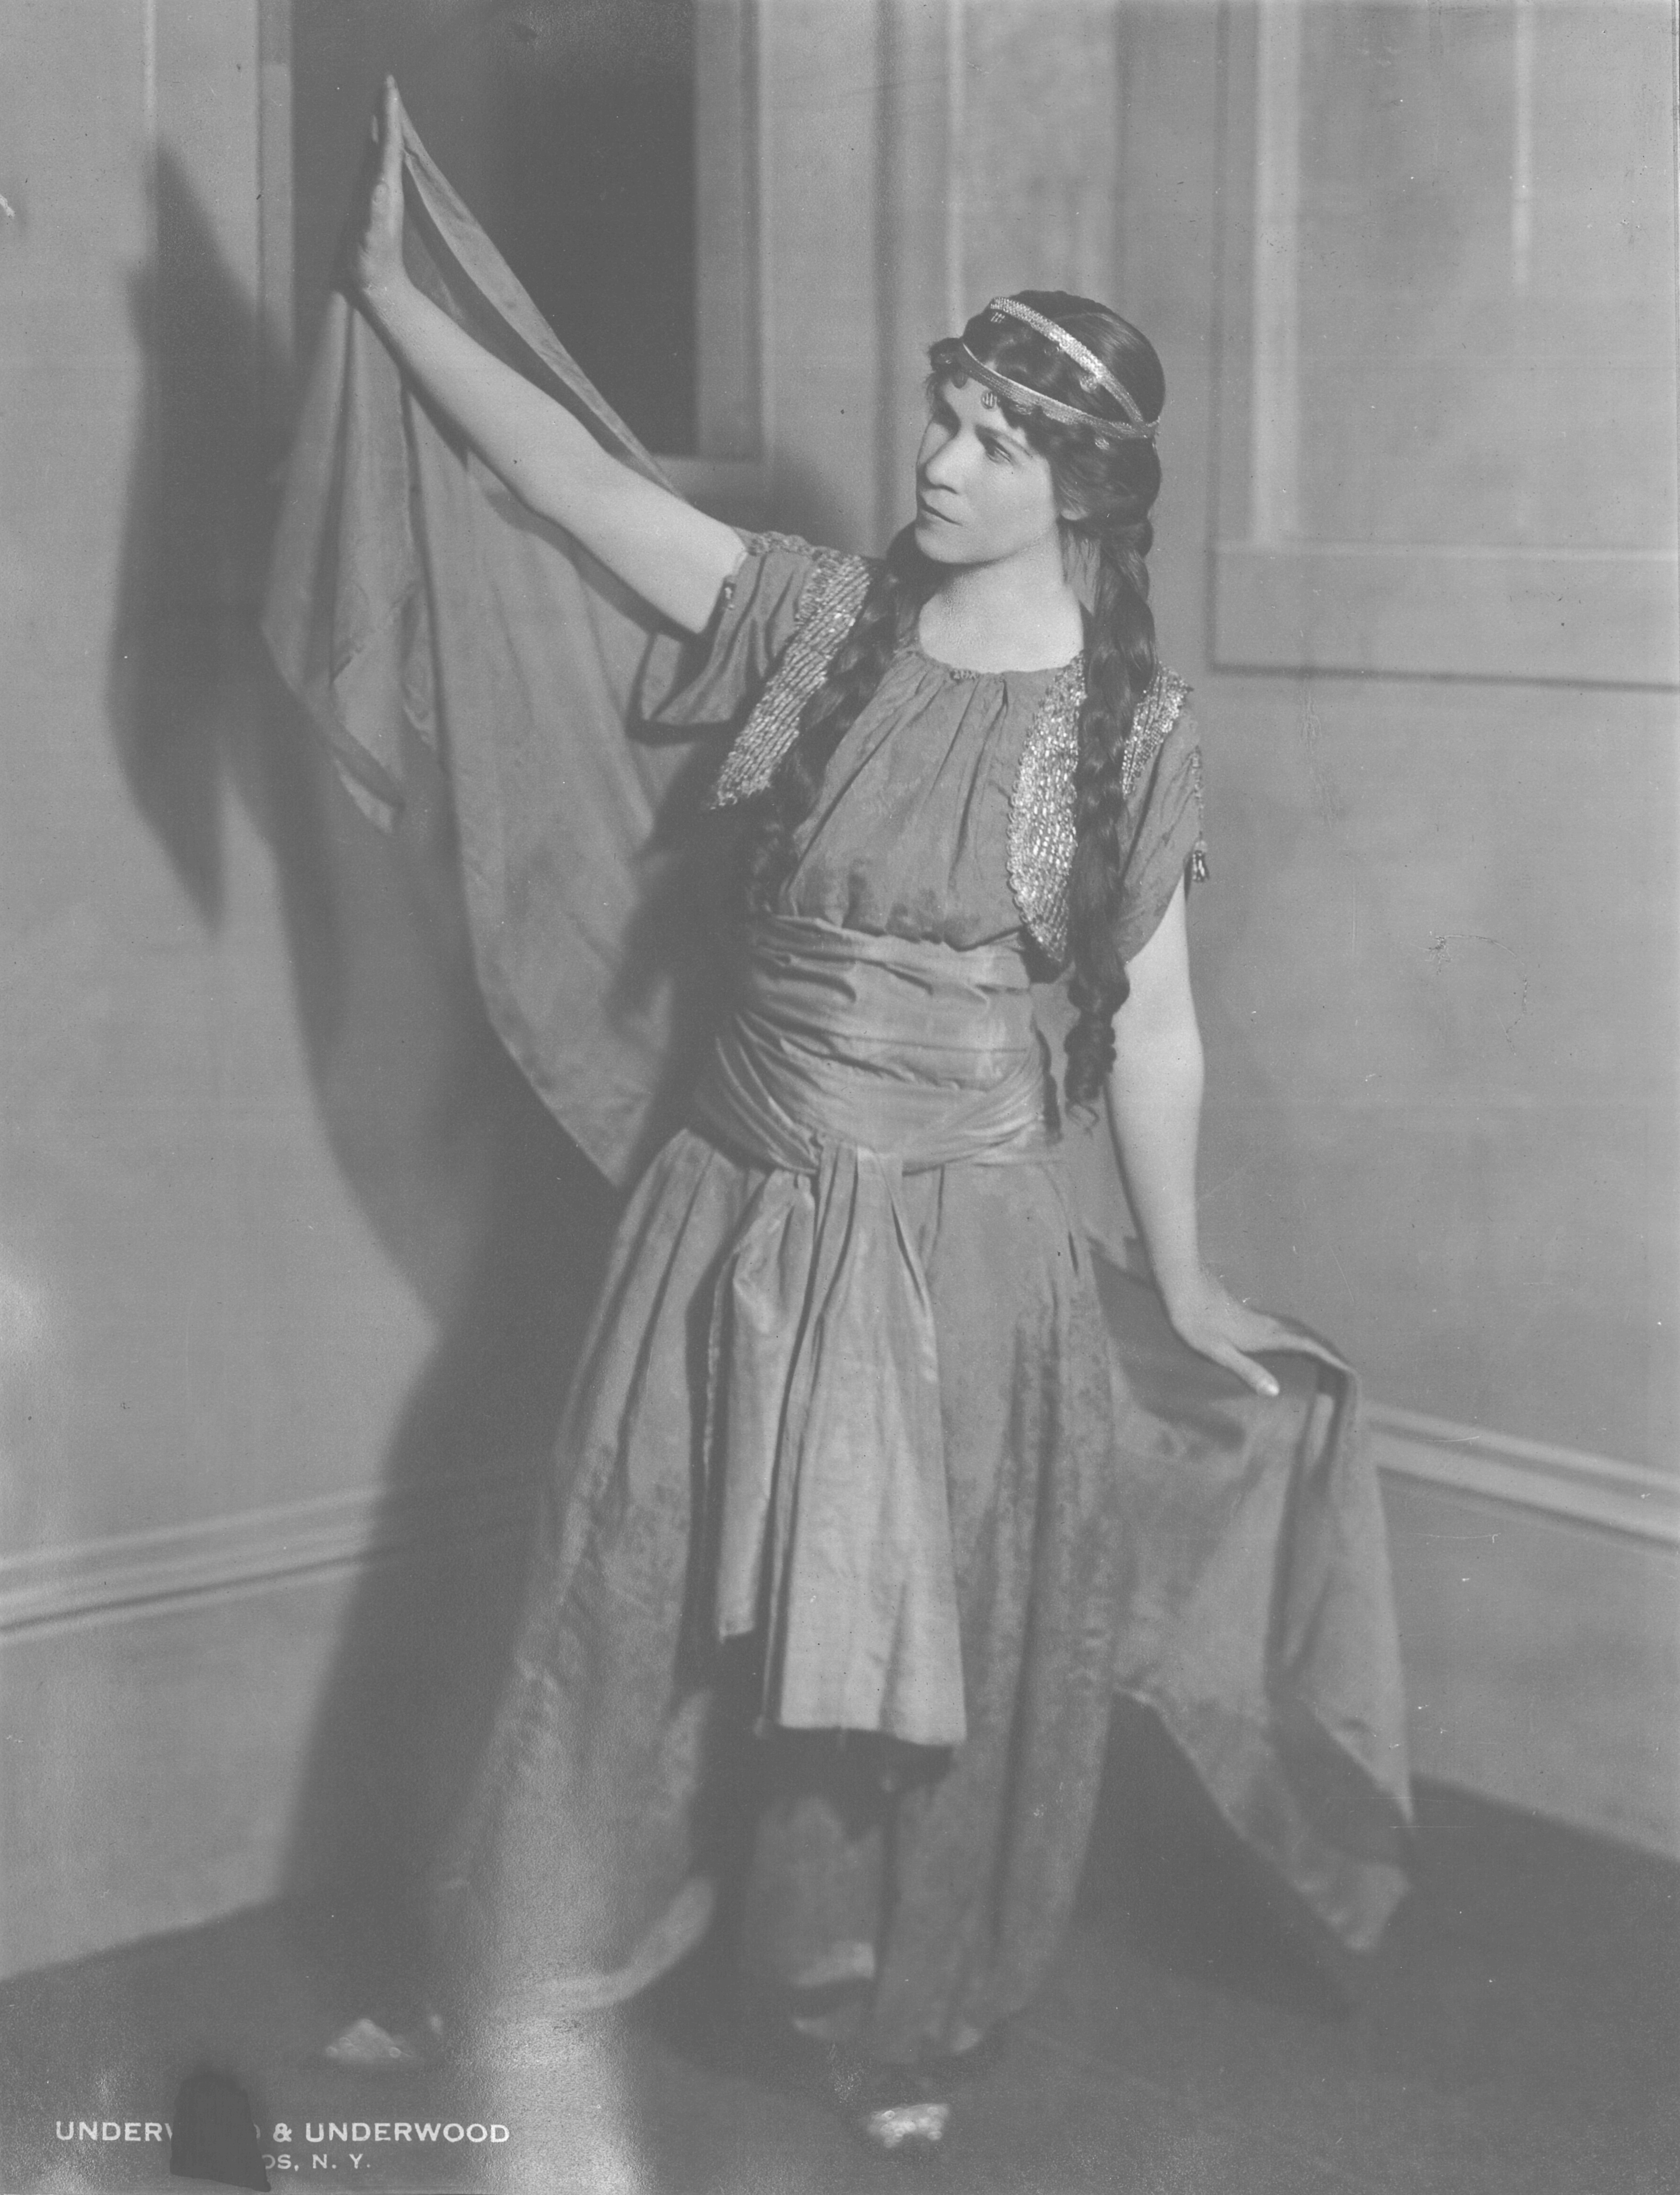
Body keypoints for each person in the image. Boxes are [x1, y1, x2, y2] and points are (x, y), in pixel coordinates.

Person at [287, 81, 1405, 2160]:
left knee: (920, 1638)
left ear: (1081, 486)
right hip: (727, 1200)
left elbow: (1156, 1033)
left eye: (992, 443)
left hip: (965, 1252)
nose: (939, 463)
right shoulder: (818, 617)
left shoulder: (1129, 731)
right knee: (622, 1583)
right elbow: (573, 489)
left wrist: (1184, 1282)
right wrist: (397, 303)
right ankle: (506, 1976)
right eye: (942, 419)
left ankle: (894, 2018)